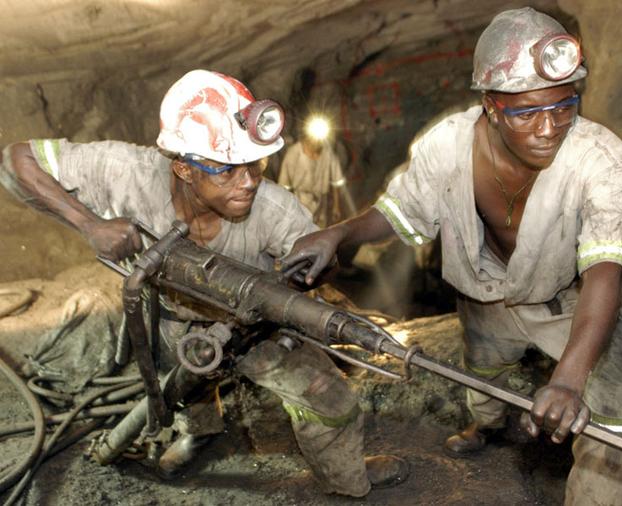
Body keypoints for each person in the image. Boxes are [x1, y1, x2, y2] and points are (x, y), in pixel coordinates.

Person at [282, 8, 622, 505]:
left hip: (570, 302)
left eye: (564, 106)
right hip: (485, 295)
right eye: (527, 112)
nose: (549, 127)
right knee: (484, 378)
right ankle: (487, 427)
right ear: (491, 106)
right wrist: (338, 233)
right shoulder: (447, 145)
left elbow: (606, 270)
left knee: (613, 420)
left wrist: (569, 379)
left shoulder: (603, 159)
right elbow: (401, 209)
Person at [0, 69, 407, 497]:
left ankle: (345, 479)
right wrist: (88, 224)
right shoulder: (126, 171)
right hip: (169, 317)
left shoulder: (275, 210)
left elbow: (318, 272)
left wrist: (320, 270)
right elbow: (15, 160)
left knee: (331, 402)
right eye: (228, 171)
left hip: (254, 324)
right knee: (180, 388)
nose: (248, 181)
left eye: (255, 165)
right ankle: (198, 431)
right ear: (183, 168)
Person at [278, 116, 347, 228]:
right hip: (300, 203)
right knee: (300, 234)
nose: (317, 142)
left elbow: (337, 181)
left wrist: (336, 206)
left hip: (320, 204)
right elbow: (283, 185)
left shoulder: (328, 154)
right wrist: (284, 210)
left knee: (319, 234)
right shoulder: (294, 153)